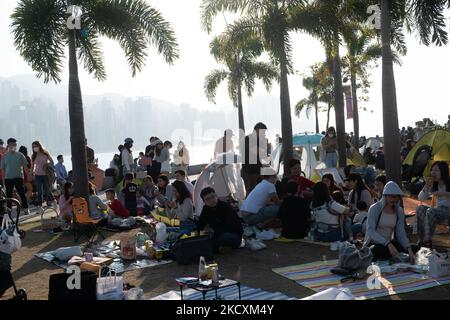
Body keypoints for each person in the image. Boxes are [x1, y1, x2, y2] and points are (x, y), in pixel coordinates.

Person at [364, 181, 419, 262]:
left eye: (395, 197)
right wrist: (387, 244)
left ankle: (397, 254)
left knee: (413, 247)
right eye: (391, 196)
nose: (393, 199)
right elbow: (370, 231)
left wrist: (408, 249)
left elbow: (400, 233)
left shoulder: (399, 211)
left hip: (389, 244)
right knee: (378, 249)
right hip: (375, 244)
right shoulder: (375, 208)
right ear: (385, 196)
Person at [198, 187, 243, 252]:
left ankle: (217, 248)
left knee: (224, 237)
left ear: (216, 196)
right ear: (204, 202)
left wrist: (214, 235)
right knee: (203, 241)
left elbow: (231, 227)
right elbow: (200, 225)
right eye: (207, 199)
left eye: (213, 197)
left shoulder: (226, 207)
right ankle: (219, 249)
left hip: (233, 235)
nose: (211, 200)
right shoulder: (206, 209)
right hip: (218, 235)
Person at [416, 161, 450, 248]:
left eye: (436, 170)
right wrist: (426, 187)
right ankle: (421, 240)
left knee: (431, 211)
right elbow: (420, 198)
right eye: (432, 170)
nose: (433, 173)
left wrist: (444, 193)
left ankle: (427, 240)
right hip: (438, 211)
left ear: (443, 171)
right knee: (420, 208)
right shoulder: (434, 184)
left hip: (447, 211)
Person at [0, 138, 30, 215]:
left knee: (21, 193)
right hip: (8, 179)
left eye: (15, 144)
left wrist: (29, 176)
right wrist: (3, 180)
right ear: (8, 145)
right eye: (13, 144)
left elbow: (25, 167)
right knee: (9, 195)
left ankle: (26, 208)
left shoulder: (20, 155)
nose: (14, 146)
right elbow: (2, 169)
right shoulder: (4, 156)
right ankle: (9, 210)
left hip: (18, 177)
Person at [241, 123, 270, 196]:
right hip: (249, 171)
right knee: (251, 192)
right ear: (257, 130)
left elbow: (265, 156)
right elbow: (258, 152)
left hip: (259, 170)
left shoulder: (262, 140)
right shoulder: (248, 139)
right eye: (263, 132)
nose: (264, 134)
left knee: (261, 192)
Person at [31, 141, 56, 212]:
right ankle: (40, 206)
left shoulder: (45, 153)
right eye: (33, 146)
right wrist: (31, 173)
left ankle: (54, 201)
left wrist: (47, 165)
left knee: (47, 190)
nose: (34, 148)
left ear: (39, 146)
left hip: (45, 175)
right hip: (37, 175)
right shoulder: (33, 156)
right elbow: (33, 166)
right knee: (39, 191)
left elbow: (52, 162)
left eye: (36, 146)